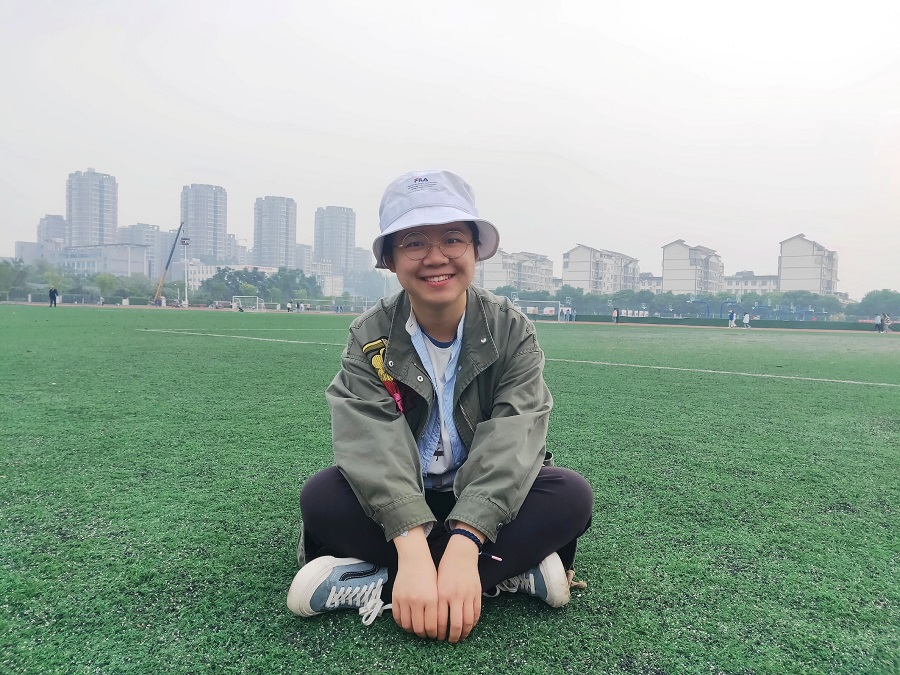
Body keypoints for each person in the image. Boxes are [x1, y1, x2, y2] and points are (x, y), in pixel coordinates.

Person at [286, 170, 593, 643]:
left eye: (452, 238)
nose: (435, 258)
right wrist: (411, 547)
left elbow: (514, 433)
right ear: (390, 259)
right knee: (322, 497)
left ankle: (377, 580)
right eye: (414, 243)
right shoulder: (370, 336)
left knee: (570, 495)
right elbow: (370, 438)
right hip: (405, 500)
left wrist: (466, 541)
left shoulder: (511, 329)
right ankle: (510, 574)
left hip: (480, 499)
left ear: (475, 249)